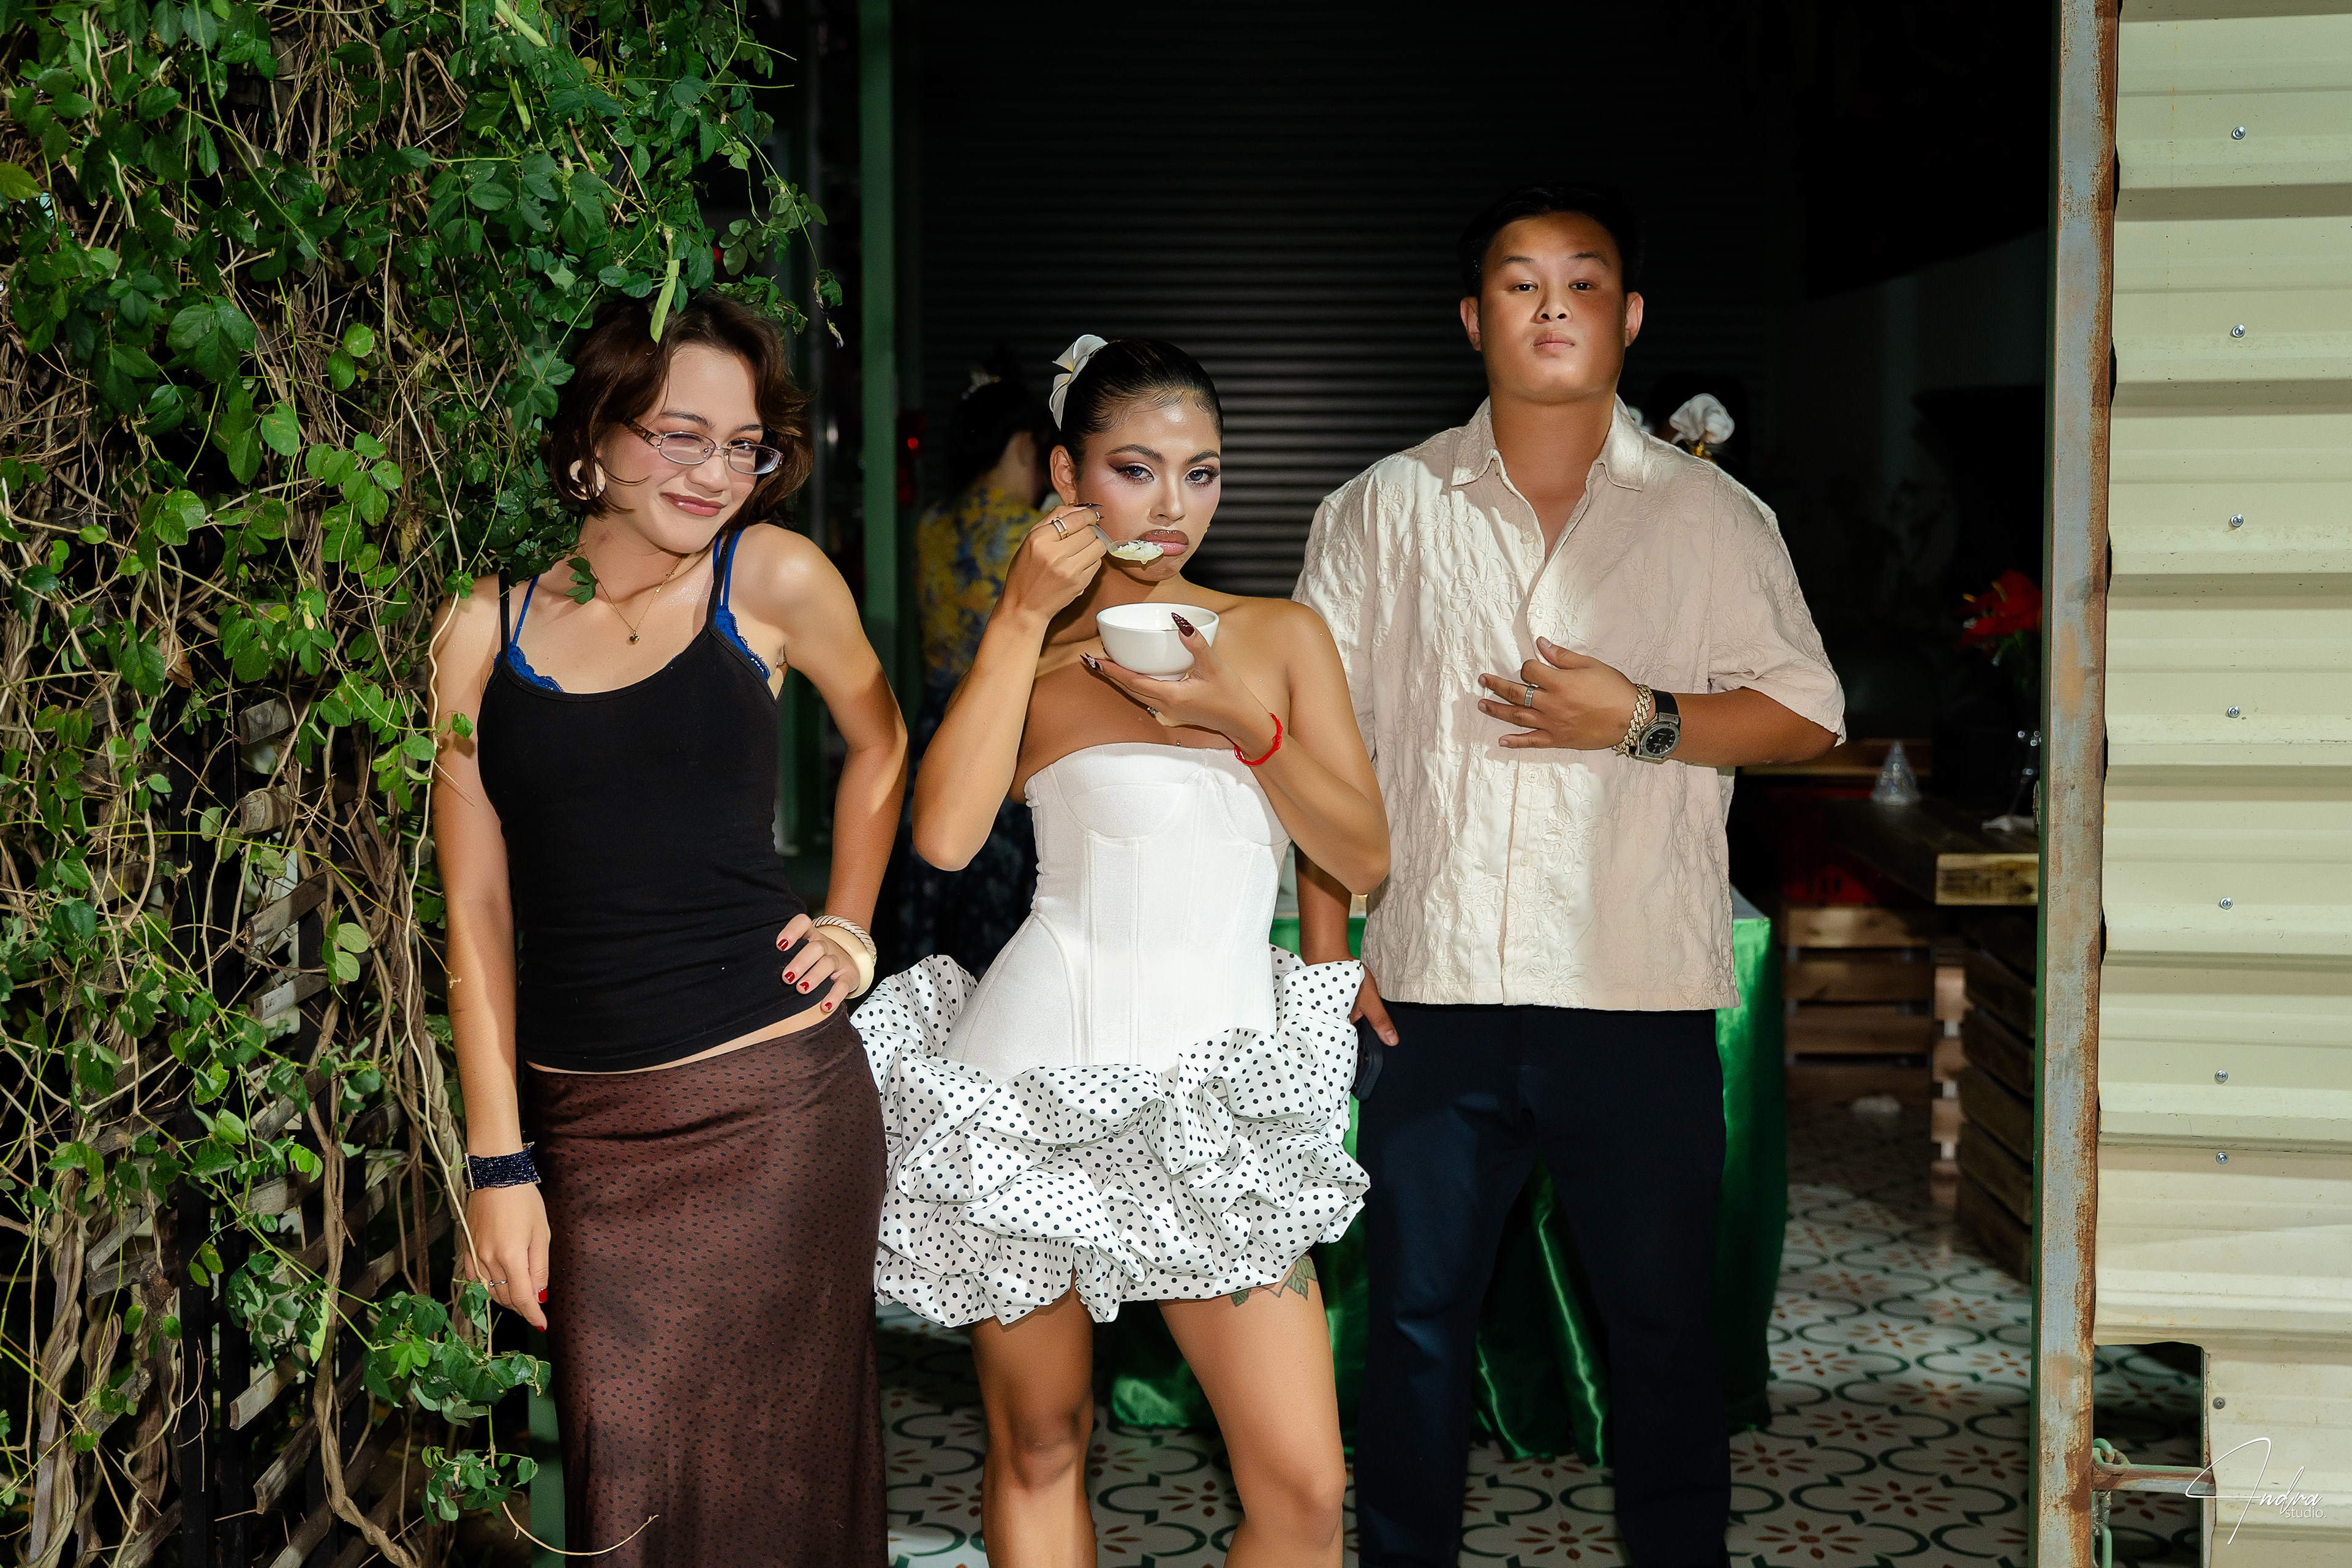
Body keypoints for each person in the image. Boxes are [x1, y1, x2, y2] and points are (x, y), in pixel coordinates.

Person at [1292, 183, 1845, 1568]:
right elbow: (1317, 745)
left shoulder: (1711, 518)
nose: (1552, 305)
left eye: (1584, 281)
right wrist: (1326, 952)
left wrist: (1642, 717)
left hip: (1634, 995)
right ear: (1471, 316)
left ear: (1630, 316)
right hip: (1429, 991)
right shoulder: (1380, 509)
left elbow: (1807, 713)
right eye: (1520, 281)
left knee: (1661, 1332)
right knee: (1415, 1327)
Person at [853, 336, 1389, 1566]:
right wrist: (1018, 616)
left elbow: (1360, 852)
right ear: (1066, 475)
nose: (1171, 507)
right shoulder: (1038, 661)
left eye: (1202, 473)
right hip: (1034, 1087)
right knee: (1041, 1444)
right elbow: (942, 838)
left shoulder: (1281, 638)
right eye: (1135, 470)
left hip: (1217, 1106)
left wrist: (1241, 722)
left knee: (1305, 1487)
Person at [430, 293, 908, 1566]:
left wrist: (853, 922)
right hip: (589, 1140)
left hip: (776, 1113)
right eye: (679, 434)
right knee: (626, 1498)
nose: (716, 473)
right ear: (596, 436)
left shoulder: (773, 578)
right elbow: (475, 906)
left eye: (743, 444)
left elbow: (881, 741)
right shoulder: (483, 629)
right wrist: (499, 1163)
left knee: (779, 1507)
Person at [878, 356, 1058, 975]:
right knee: (997, 907)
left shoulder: (931, 524)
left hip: (937, 723)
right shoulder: (1034, 536)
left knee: (932, 898)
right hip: (1006, 729)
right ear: (1023, 446)